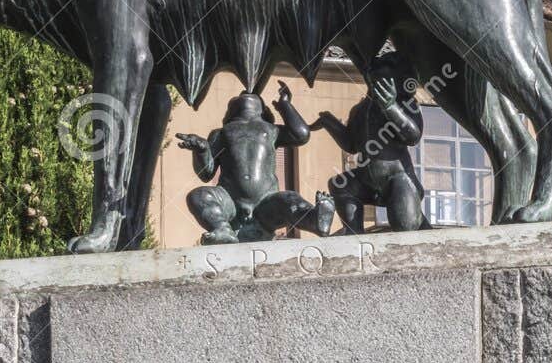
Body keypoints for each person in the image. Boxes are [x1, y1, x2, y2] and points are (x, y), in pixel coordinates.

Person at [177, 83, 335, 244]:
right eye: (239, 96)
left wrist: (285, 105)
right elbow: (206, 173)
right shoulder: (220, 133)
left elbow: (301, 135)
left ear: (262, 109)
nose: (245, 94)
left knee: (290, 199)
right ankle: (222, 228)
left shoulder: (272, 130)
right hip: (230, 204)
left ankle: (313, 220)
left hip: (266, 204)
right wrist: (202, 150)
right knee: (198, 196)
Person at [312, 53, 427, 233]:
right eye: (374, 82)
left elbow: (413, 136)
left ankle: (417, 220)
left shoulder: (406, 104)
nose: (377, 87)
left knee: (405, 228)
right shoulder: (360, 110)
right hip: (367, 181)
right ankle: (354, 233)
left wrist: (391, 108)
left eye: (384, 83)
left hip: (398, 179)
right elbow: (351, 144)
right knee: (340, 184)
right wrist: (329, 122)